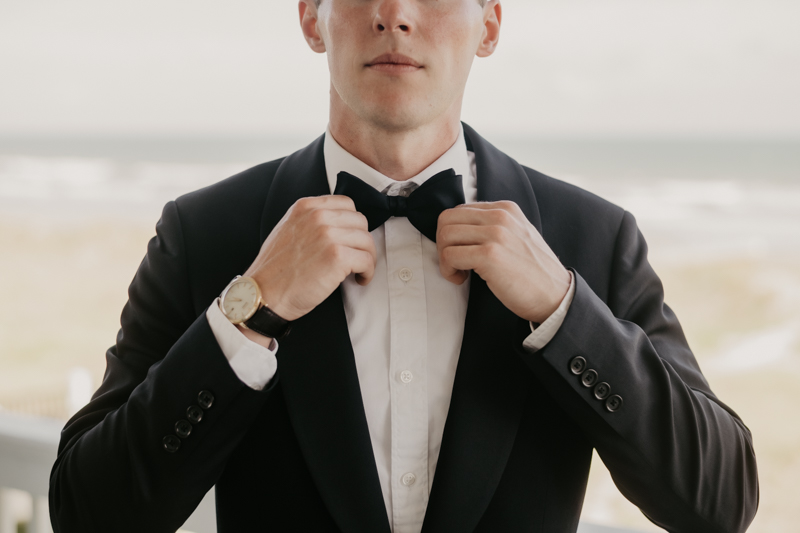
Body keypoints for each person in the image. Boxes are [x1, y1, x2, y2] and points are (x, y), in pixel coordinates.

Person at [49, 1, 759, 532]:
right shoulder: (205, 234)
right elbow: (87, 510)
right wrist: (250, 310)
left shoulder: (591, 237)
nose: (395, 14)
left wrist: (563, 311)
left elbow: (719, 499)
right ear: (310, 17)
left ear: (489, 23)